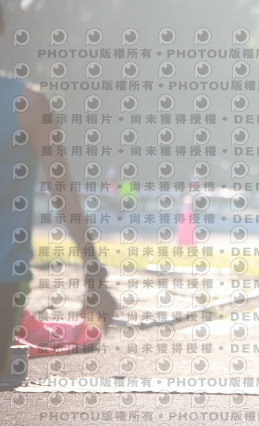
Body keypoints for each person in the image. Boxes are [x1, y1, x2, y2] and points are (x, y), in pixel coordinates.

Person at [0, 5, 114, 382]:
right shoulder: (30, 104)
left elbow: (63, 189)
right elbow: (64, 191)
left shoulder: (30, 105)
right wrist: (94, 276)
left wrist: (94, 273)